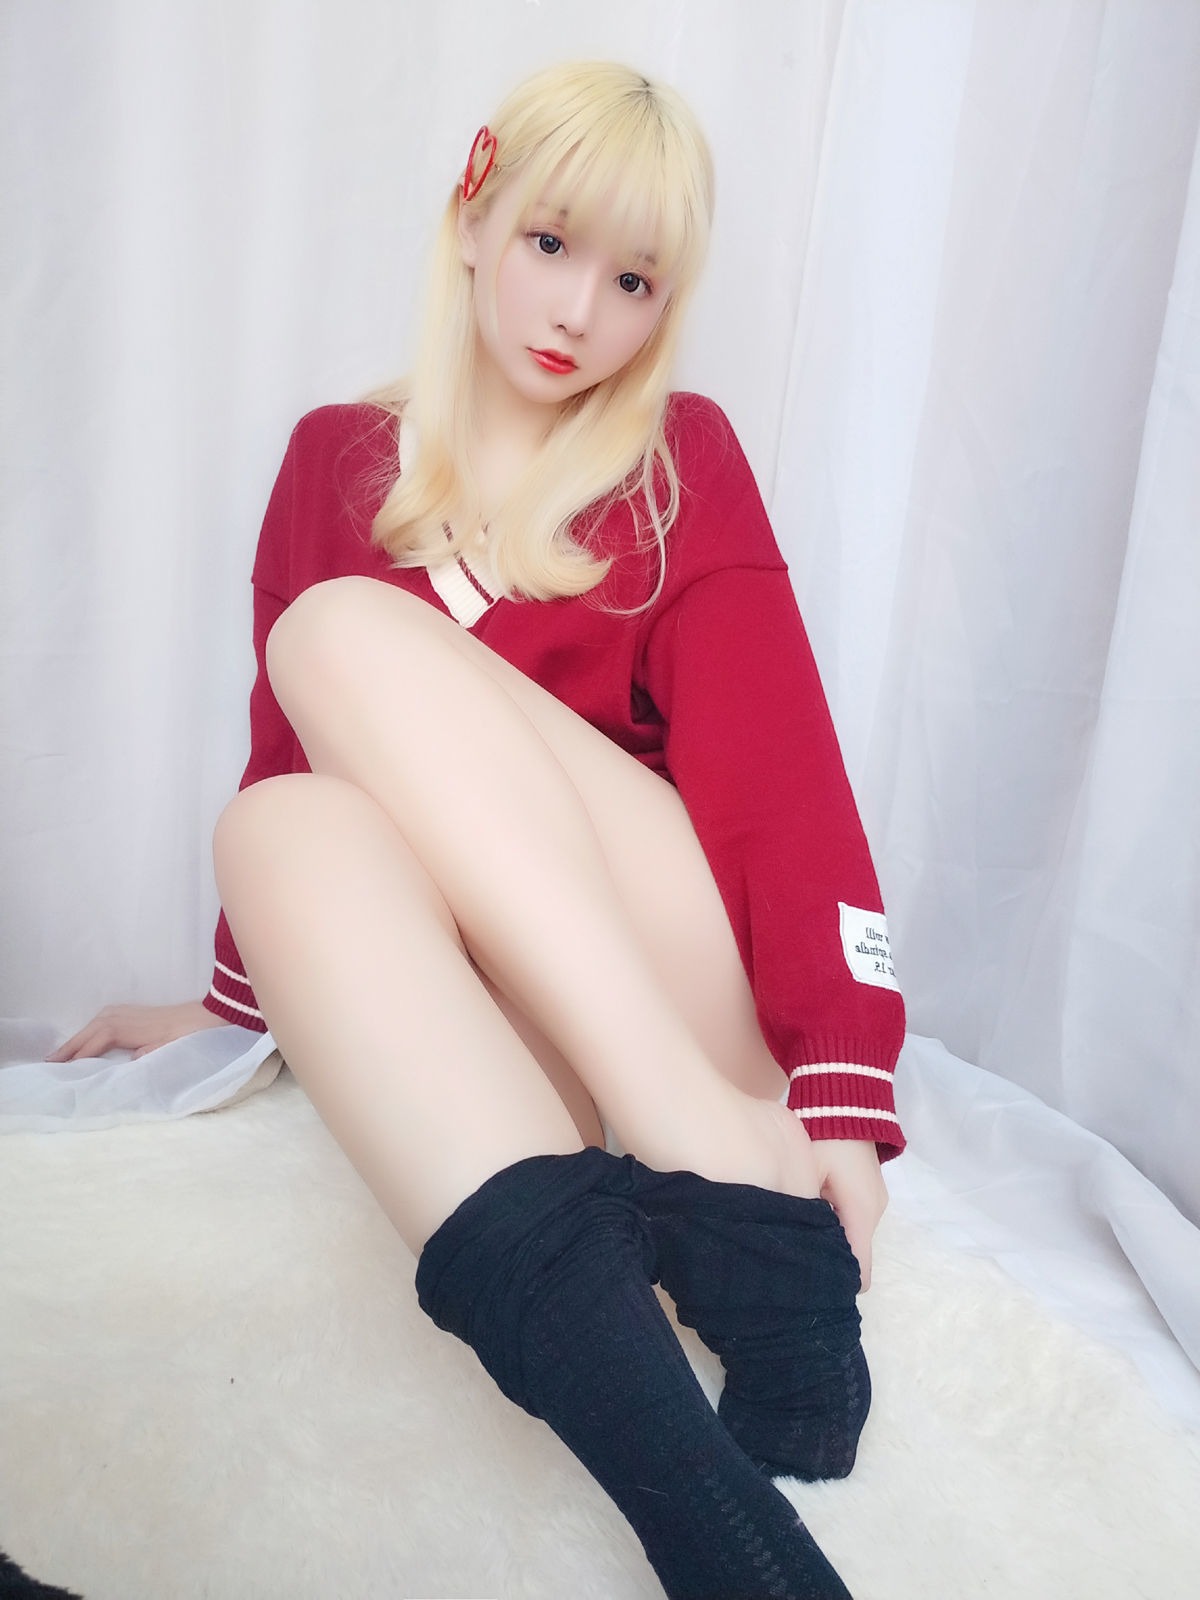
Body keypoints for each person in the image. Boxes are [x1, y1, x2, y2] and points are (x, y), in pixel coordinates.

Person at [51, 62, 905, 1598]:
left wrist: (839, 1078)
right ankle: (716, 1531)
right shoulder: (332, 461)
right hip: (502, 1028)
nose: (580, 311)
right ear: (472, 218)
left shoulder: (679, 462)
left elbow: (781, 777)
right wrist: (232, 1010)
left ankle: (717, 1157)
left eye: (633, 281)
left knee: (334, 634)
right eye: (551, 245)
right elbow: (285, 757)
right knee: (278, 819)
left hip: (665, 989)